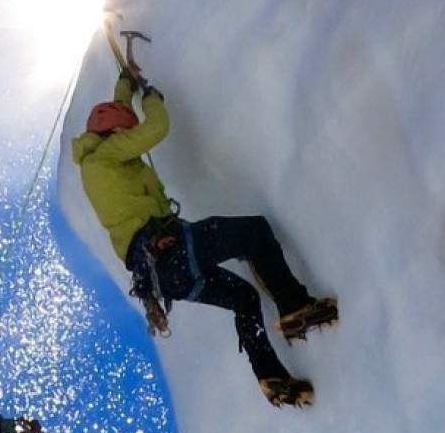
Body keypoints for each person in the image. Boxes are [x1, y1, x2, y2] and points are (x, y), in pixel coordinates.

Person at [71, 70, 337, 407]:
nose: (132, 136)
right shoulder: (107, 155)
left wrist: (126, 82)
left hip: (164, 276)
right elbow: (156, 128)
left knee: (243, 298)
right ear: (115, 133)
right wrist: (151, 97)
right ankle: (294, 306)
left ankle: (270, 375)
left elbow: (117, 111)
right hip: (170, 249)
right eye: (127, 132)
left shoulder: (97, 155)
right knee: (253, 232)